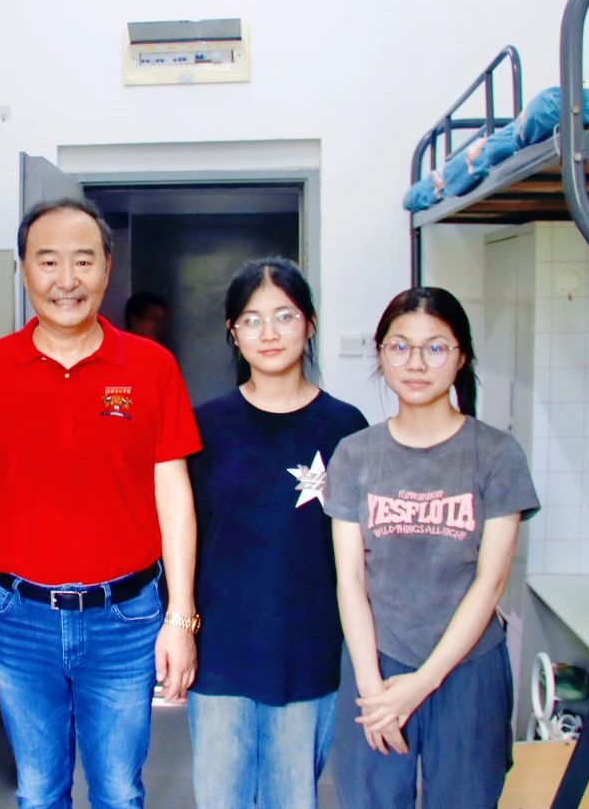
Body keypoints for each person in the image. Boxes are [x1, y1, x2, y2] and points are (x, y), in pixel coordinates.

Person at [0, 198, 202, 809]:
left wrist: (180, 617)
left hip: (126, 617)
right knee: (38, 791)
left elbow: (174, 495)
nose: (67, 280)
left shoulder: (151, 366)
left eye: (83, 261)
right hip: (17, 616)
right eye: (48, 261)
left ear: (107, 268)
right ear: (23, 269)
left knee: (119, 791)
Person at [323, 287, 540, 808]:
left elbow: (490, 583)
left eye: (436, 348)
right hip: (377, 662)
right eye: (400, 347)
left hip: (468, 667)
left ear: (461, 356)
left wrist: (422, 682)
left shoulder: (496, 454)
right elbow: (350, 580)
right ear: (381, 354)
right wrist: (373, 690)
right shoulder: (355, 455)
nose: (416, 363)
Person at [187, 258, 367, 809]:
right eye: (252, 319)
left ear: (309, 324)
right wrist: (180, 628)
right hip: (221, 649)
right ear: (233, 332)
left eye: (284, 316)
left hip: (308, 647)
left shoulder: (346, 427)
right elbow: (185, 540)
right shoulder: (205, 425)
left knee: (293, 797)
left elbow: (361, 557)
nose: (269, 333)